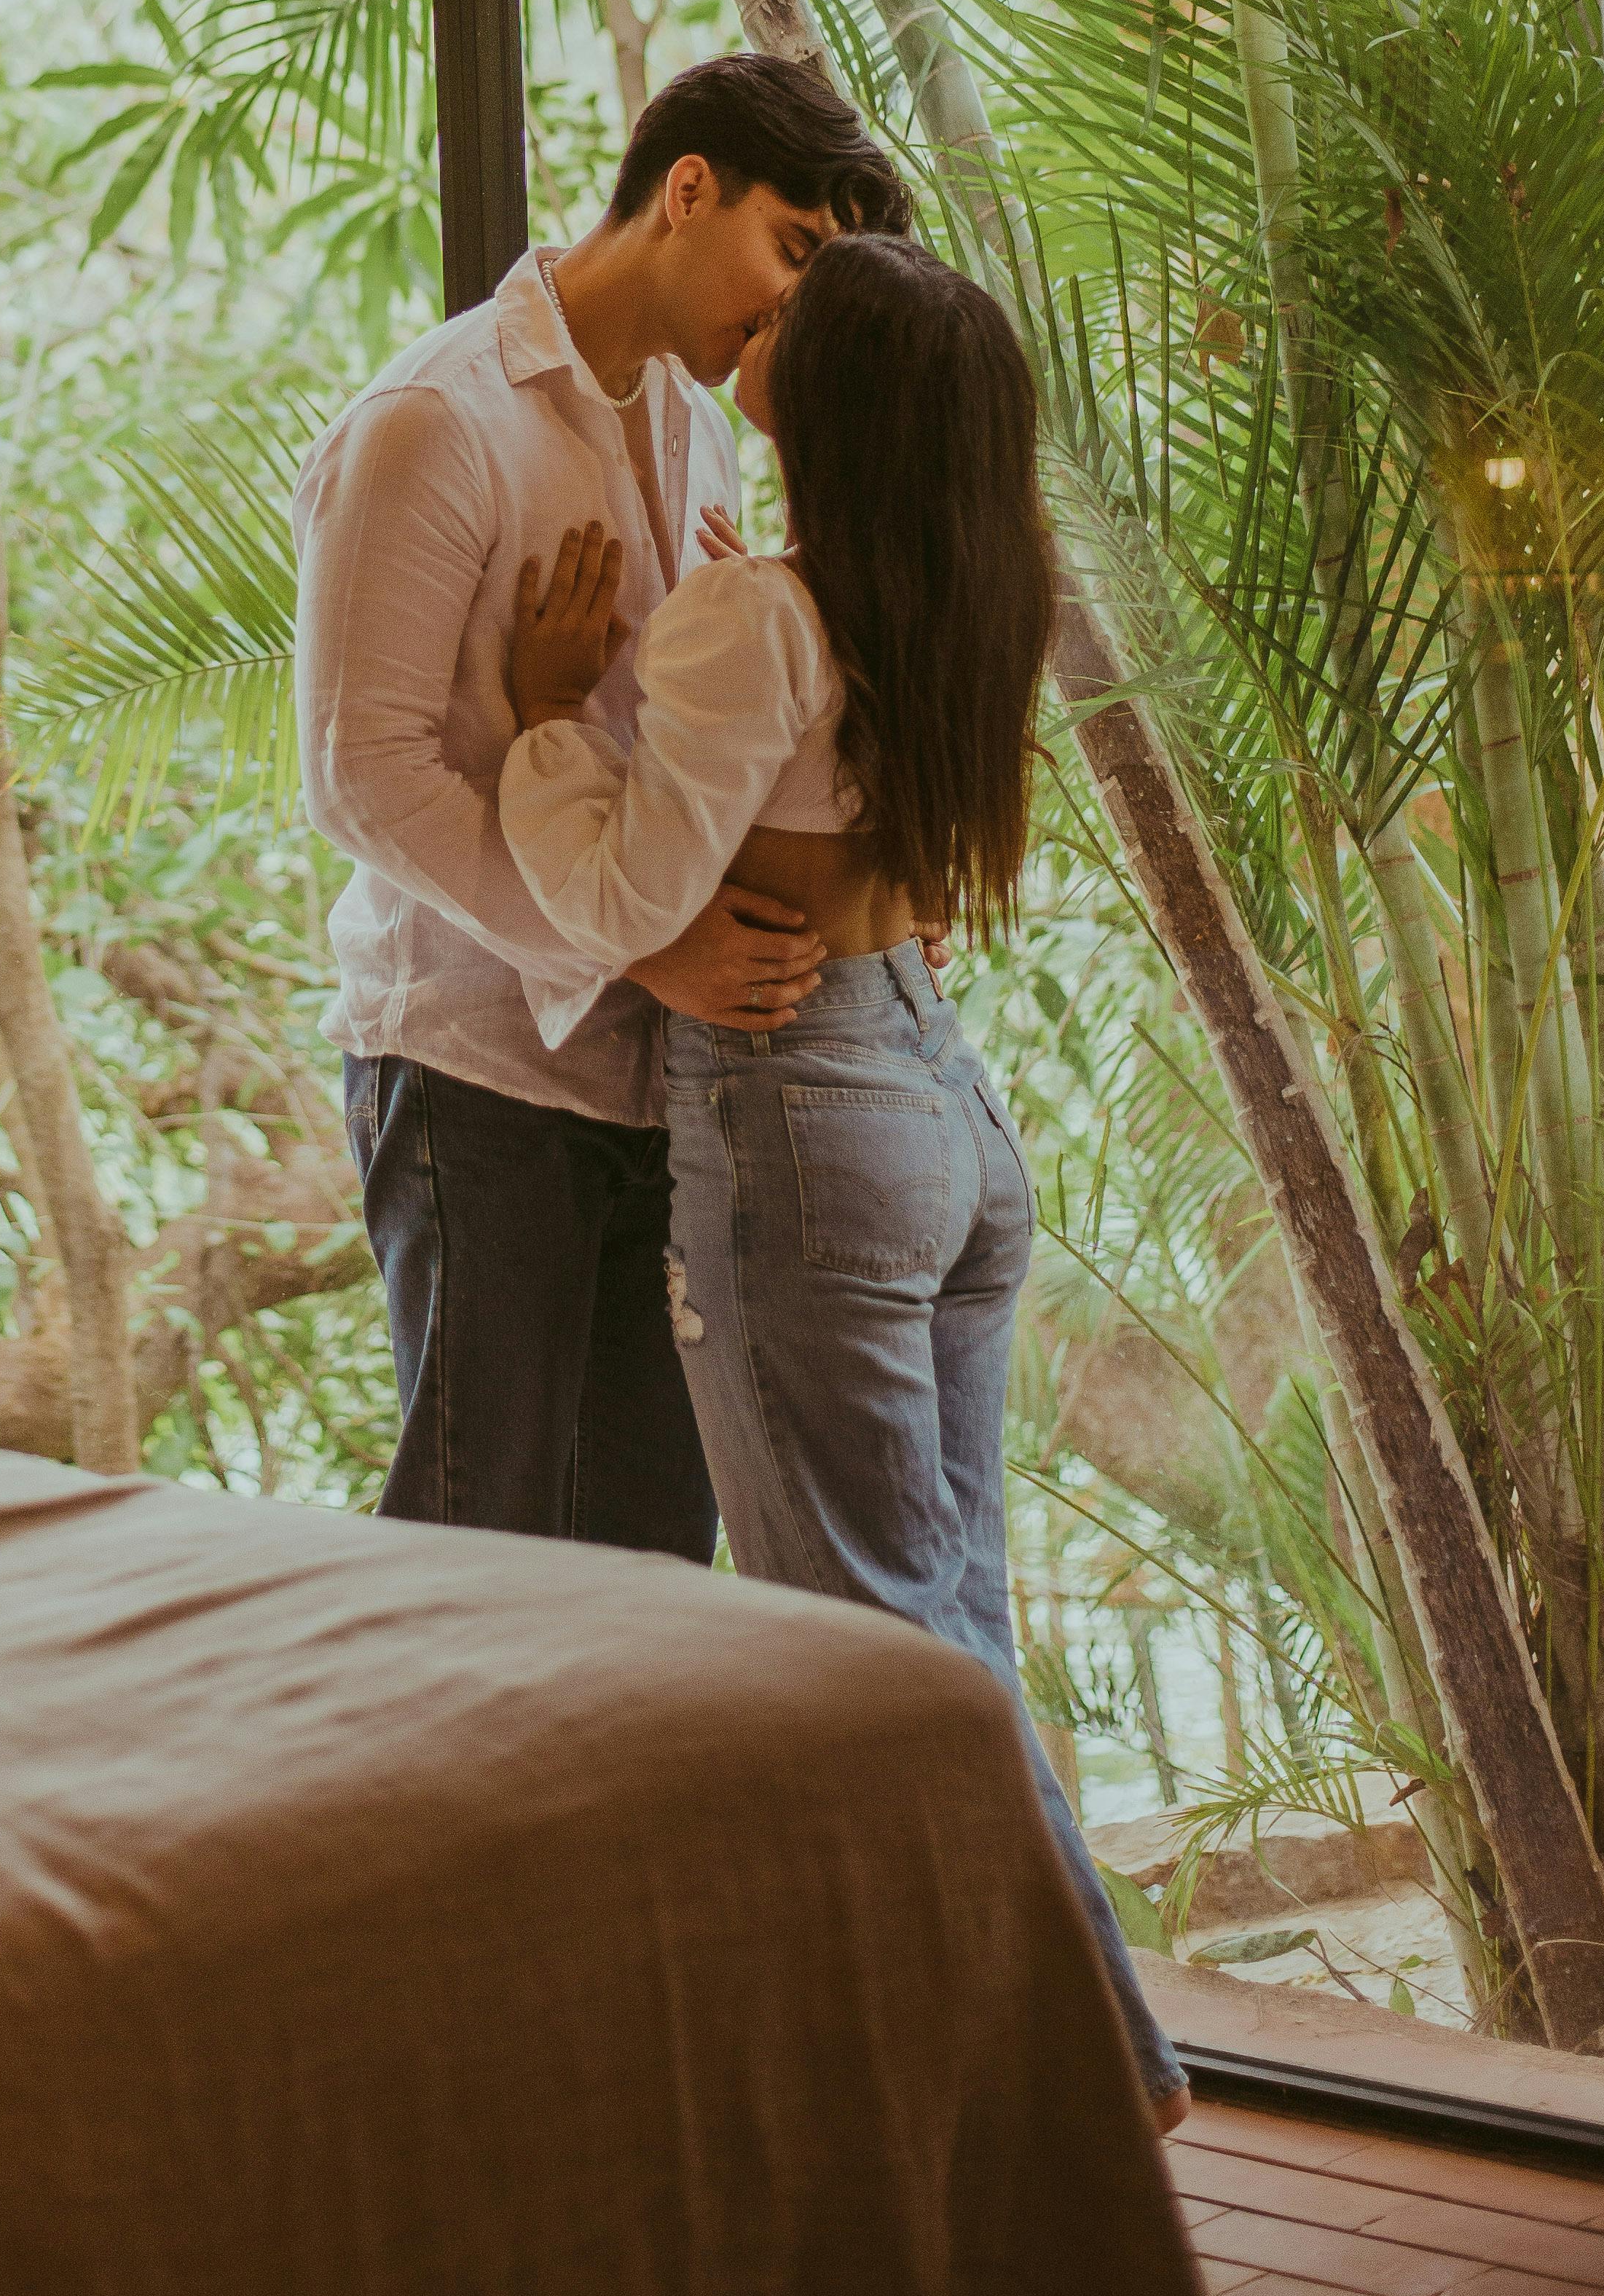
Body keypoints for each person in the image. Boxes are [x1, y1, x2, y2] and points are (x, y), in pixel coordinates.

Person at [495, 227, 1190, 2128]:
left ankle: (1089, 2075)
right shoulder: (959, 594)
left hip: (802, 1119)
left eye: (807, 314)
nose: (765, 315)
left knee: (882, 1655)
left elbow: (632, 894)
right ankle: (1052, 2066)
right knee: (949, 1612)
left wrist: (554, 719)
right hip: (940, 1117)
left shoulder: (755, 622)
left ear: (850, 399)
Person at [292, 55, 909, 1562]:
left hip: (666, 1076)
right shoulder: (434, 422)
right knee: (477, 1538)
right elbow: (361, 777)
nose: (789, 310)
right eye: (791, 250)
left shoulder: (698, 422)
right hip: (480, 1065)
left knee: (645, 1561)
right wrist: (640, 949)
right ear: (685, 185)